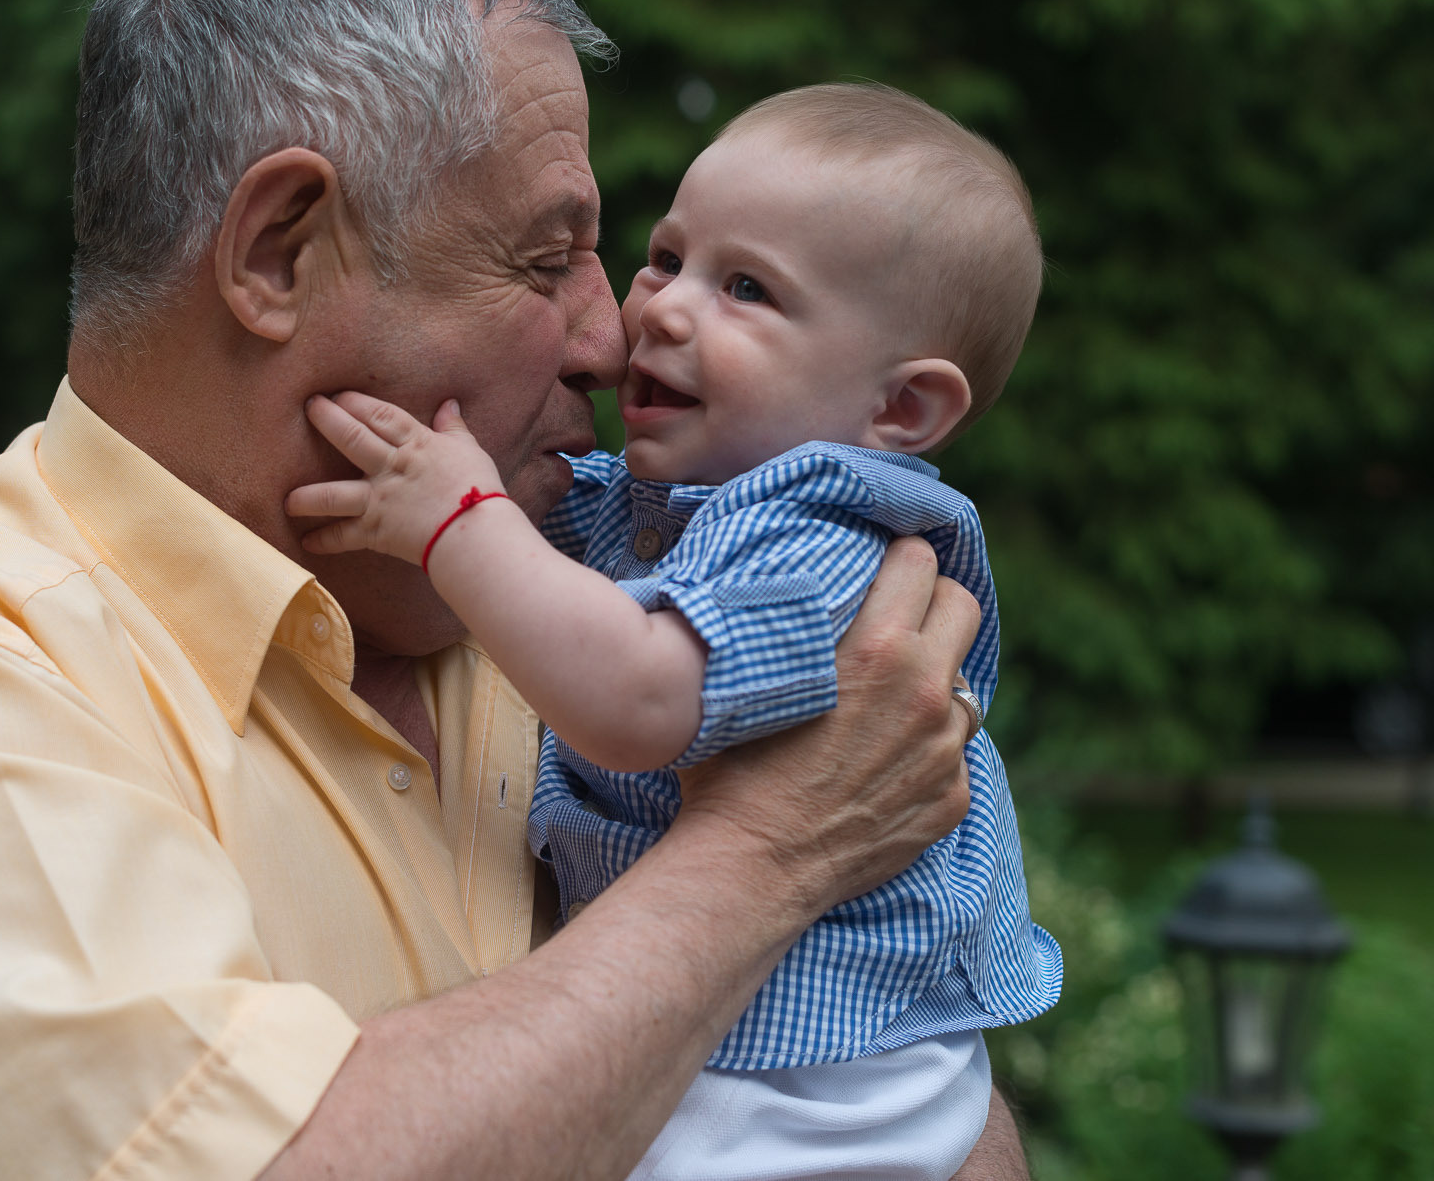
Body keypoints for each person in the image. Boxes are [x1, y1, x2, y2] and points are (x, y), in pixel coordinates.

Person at [0, 0, 1031, 1180]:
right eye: (543, 256)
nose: (612, 337)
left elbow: (908, 1084)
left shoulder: (558, 584)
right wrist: (768, 856)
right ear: (280, 250)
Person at [287, 82, 1062, 1178]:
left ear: (900, 413)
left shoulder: (823, 540)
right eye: (668, 255)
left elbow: (638, 703)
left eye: (745, 289)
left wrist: (455, 520)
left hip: (811, 1092)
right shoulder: (653, 507)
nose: (656, 310)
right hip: (733, 1049)